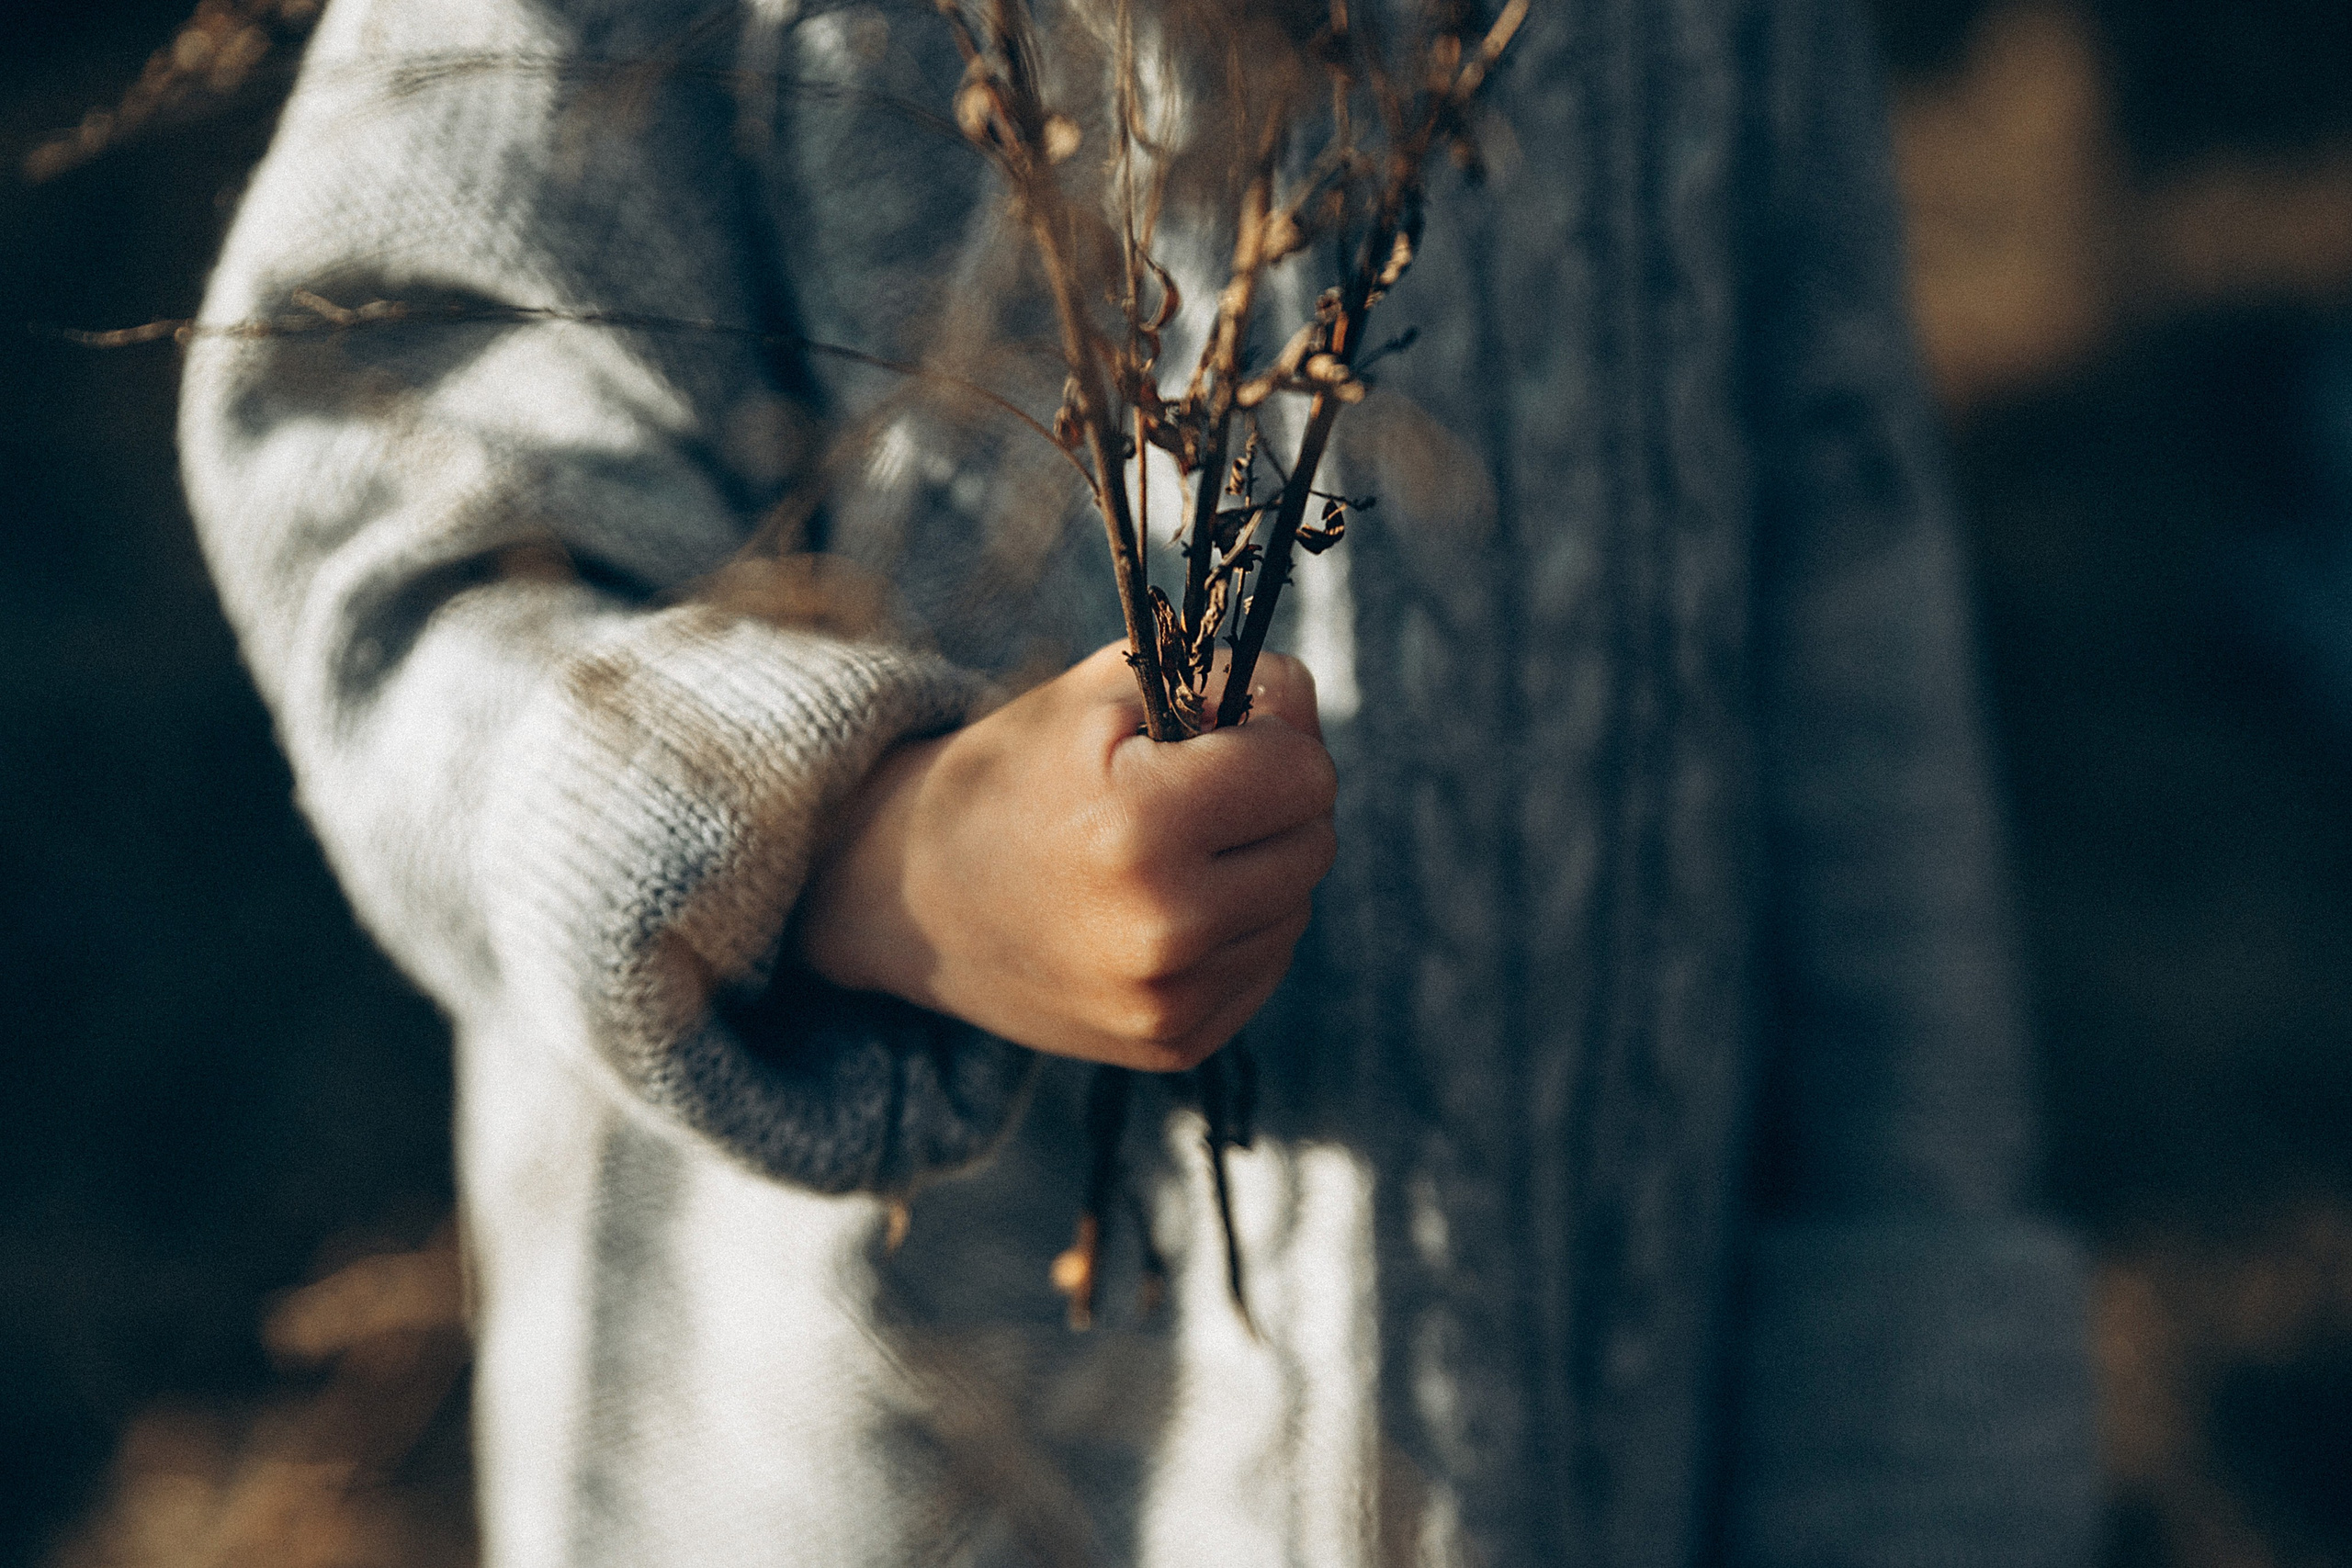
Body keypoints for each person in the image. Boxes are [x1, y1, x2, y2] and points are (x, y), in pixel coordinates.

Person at [178, 0, 2101, 1561]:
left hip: (1593, 1445)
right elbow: (403, 551)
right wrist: (879, 850)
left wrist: (1915, 1379)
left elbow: (1836, 609)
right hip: (883, 1477)